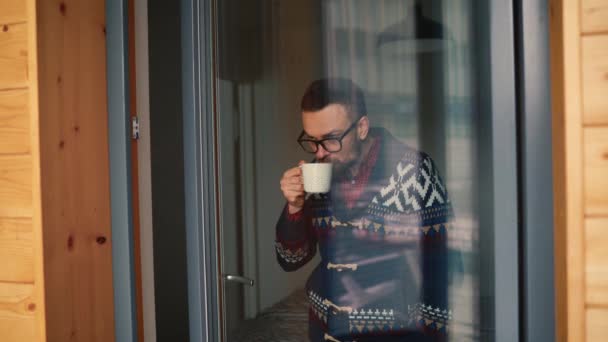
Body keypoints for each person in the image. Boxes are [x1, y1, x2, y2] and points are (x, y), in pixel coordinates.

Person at [275, 78, 453, 342]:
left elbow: (441, 277)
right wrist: (295, 207)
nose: (320, 153)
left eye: (331, 139)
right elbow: (291, 259)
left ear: (361, 127)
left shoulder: (414, 172)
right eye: (312, 141)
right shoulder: (320, 172)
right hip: (326, 331)